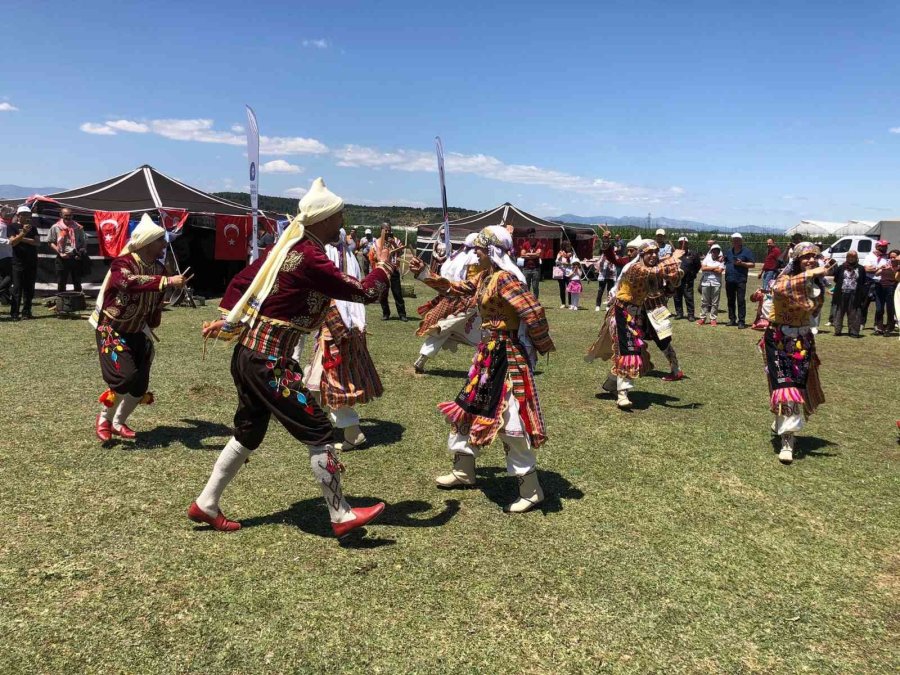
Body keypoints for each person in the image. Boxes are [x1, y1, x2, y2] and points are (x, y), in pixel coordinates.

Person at [192, 178, 394, 539]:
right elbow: (364, 292)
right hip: (270, 360)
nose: (343, 221)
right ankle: (341, 513)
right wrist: (383, 266)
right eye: (339, 215)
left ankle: (206, 503)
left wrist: (227, 319)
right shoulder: (311, 257)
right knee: (318, 430)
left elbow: (242, 281)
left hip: (251, 355)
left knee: (248, 433)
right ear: (323, 220)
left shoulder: (288, 249)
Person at [409, 226, 555, 513]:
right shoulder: (485, 278)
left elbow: (533, 311)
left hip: (508, 356)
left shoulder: (505, 279)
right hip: (488, 355)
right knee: (469, 408)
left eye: (479, 247)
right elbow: (457, 290)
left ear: (492, 251)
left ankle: (531, 488)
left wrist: (539, 345)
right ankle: (464, 470)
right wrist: (425, 274)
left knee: (510, 419)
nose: (474, 251)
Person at [90, 215, 191, 442]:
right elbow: (126, 282)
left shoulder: (158, 267)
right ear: (147, 243)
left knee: (139, 384)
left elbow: (156, 299)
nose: (164, 245)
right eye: (160, 241)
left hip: (139, 330)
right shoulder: (122, 263)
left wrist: (158, 311)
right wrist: (166, 282)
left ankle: (118, 422)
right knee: (124, 378)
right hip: (112, 328)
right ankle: (105, 419)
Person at [303, 229, 383, 450]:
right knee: (316, 379)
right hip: (345, 325)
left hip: (335, 327)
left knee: (331, 381)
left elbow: (327, 291)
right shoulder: (347, 255)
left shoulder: (329, 253)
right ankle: (311, 422)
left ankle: (351, 431)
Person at [587, 233, 685, 410]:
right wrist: (673, 258)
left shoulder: (651, 269)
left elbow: (670, 282)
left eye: (656, 252)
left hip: (638, 314)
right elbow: (654, 271)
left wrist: (674, 277)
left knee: (637, 351)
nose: (653, 255)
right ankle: (623, 395)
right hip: (621, 313)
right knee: (627, 352)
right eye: (649, 252)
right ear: (641, 254)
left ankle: (611, 384)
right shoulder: (635, 268)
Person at [762, 243, 834, 464]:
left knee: (797, 388)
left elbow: (813, 311)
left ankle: (783, 422)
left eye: (815, 257)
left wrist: (814, 278)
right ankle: (787, 441)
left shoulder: (816, 285)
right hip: (779, 340)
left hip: (802, 341)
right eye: (806, 258)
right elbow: (779, 289)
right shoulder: (784, 280)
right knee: (786, 388)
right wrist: (811, 274)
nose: (811, 260)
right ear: (796, 261)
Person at [413, 233, 482, 374]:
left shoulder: (457, 256)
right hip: (468, 303)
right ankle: (484, 363)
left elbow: (445, 278)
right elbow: (471, 285)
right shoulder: (475, 259)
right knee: (482, 334)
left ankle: (423, 358)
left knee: (443, 329)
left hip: (450, 299)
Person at [8, 205, 40, 319]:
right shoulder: (12, 226)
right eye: (24, 215)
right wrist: (23, 233)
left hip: (31, 261)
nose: (27, 217)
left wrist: (21, 238)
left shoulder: (33, 228)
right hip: (18, 262)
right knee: (17, 288)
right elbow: (13, 242)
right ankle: (14, 313)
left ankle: (27, 312)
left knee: (29, 288)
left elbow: (37, 242)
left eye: (28, 215)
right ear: (18, 216)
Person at [372, 222, 408, 321]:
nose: (387, 232)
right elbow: (374, 255)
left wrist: (393, 243)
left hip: (394, 269)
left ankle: (402, 314)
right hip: (382, 271)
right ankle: (386, 313)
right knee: (383, 293)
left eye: (389, 230)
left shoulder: (396, 240)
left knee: (397, 293)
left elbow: (401, 252)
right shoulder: (377, 242)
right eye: (385, 230)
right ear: (381, 230)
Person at [48, 208, 87, 293]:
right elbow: (50, 242)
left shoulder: (78, 227)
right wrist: (60, 253)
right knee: (61, 282)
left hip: (75, 257)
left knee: (77, 281)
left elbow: (83, 242)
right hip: (62, 257)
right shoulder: (55, 227)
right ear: (61, 215)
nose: (68, 217)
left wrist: (80, 253)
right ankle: (62, 303)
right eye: (66, 216)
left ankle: (78, 303)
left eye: (70, 215)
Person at [831, 250, 868, 337]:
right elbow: (836, 279)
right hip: (841, 293)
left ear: (856, 258)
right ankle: (838, 330)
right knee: (839, 312)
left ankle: (854, 332)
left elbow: (863, 281)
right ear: (847, 258)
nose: (851, 258)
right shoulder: (841, 267)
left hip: (855, 294)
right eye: (849, 257)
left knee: (854, 313)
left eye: (853, 257)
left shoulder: (861, 268)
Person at [723, 232, 755, 328]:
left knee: (741, 300)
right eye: (734, 239)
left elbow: (752, 264)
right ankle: (732, 319)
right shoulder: (729, 251)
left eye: (737, 239)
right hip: (729, 279)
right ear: (732, 241)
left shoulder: (747, 252)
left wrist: (742, 263)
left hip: (740, 279)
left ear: (741, 241)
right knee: (730, 300)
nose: (735, 241)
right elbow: (725, 262)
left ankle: (741, 321)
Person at [863, 241, 895, 335]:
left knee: (889, 307)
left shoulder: (888, 256)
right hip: (872, 282)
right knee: (872, 305)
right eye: (883, 246)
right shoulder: (869, 256)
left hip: (887, 284)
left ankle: (888, 327)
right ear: (877, 246)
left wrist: (875, 268)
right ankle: (876, 326)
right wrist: (879, 268)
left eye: (886, 246)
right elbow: (867, 269)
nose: (885, 248)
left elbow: (893, 265)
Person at [673, 237, 700, 321]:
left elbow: (698, 266)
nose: (682, 244)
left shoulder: (693, 254)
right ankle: (679, 313)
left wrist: (693, 274)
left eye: (684, 243)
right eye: (680, 243)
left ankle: (691, 315)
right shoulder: (675, 254)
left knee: (689, 298)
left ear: (687, 244)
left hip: (688, 280)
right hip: (677, 280)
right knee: (677, 297)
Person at [697, 244, 725, 326]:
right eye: (714, 250)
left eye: (717, 250)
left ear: (719, 251)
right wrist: (714, 267)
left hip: (716, 283)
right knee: (704, 301)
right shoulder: (707, 258)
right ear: (711, 251)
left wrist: (708, 267)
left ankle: (713, 319)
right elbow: (703, 268)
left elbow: (720, 271)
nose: (715, 252)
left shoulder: (721, 259)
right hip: (706, 282)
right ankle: (702, 318)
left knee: (715, 302)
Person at [518, 228, 542, 299]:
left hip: (536, 269)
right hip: (526, 269)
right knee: (526, 286)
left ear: (535, 235)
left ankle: (535, 301)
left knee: (535, 286)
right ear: (528, 236)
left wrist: (527, 254)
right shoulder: (525, 244)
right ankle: (527, 301)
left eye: (533, 235)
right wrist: (534, 255)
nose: (532, 237)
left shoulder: (539, 243)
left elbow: (538, 255)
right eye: (530, 235)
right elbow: (522, 255)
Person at [0, 206, 13, 310]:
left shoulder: (7, 224)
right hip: (3, 254)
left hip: (8, 253)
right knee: (10, 276)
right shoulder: (1, 225)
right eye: (7, 213)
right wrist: (8, 241)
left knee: (4, 277)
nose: (9, 214)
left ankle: (5, 299)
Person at [554, 242, 573, 308]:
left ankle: (570, 303)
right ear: (564, 247)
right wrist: (561, 259)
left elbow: (574, 262)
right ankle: (563, 303)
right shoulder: (560, 253)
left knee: (570, 288)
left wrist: (568, 263)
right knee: (562, 288)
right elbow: (556, 262)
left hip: (569, 273)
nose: (569, 247)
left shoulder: (571, 254)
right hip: (561, 272)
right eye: (568, 246)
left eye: (569, 246)